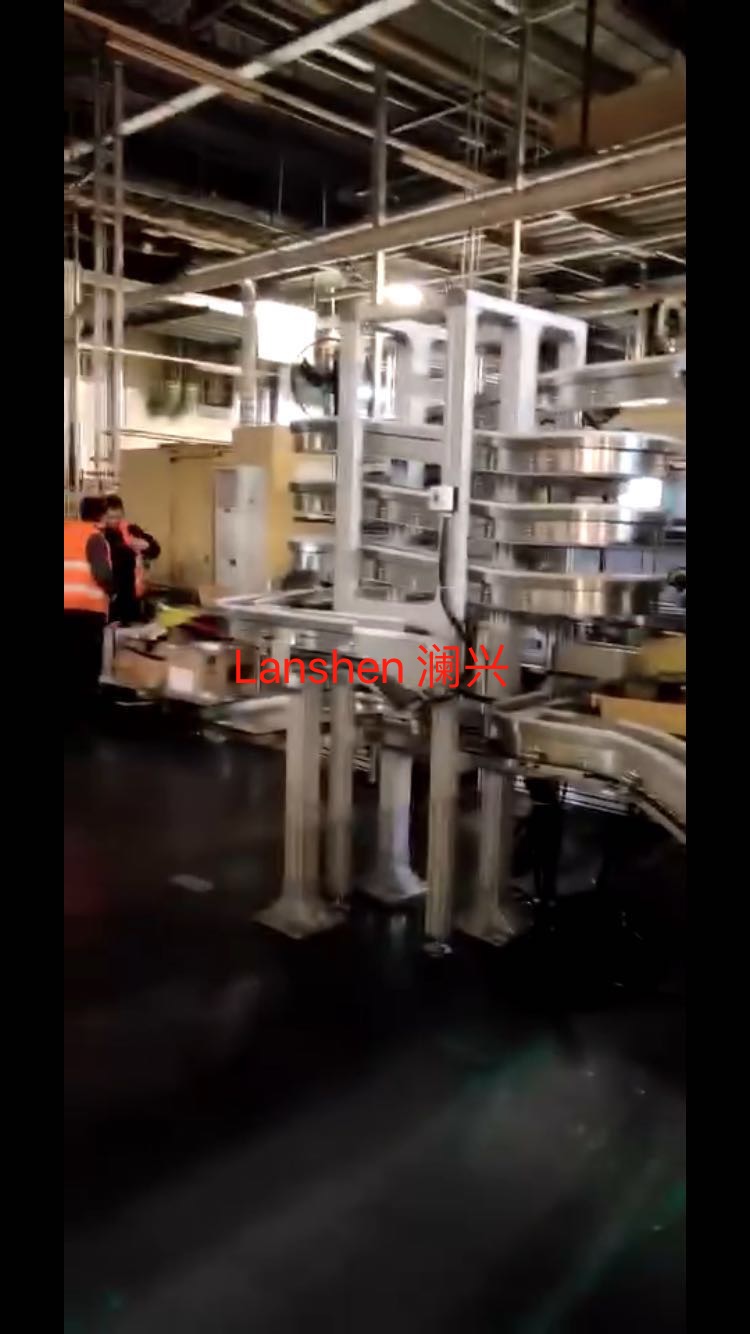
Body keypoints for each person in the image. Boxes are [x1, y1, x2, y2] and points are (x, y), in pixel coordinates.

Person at [64, 495, 112, 730]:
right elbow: (101, 573)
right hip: (87, 609)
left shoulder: (66, 533)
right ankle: (83, 717)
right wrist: (113, 590)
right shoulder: (94, 537)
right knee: (86, 664)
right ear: (101, 515)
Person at [102, 494, 161, 624]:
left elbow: (155, 550)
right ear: (103, 516)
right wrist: (128, 547)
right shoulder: (99, 535)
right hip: (111, 596)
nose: (115, 521)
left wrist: (147, 546)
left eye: (118, 517)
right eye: (111, 517)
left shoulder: (132, 530)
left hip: (133, 594)